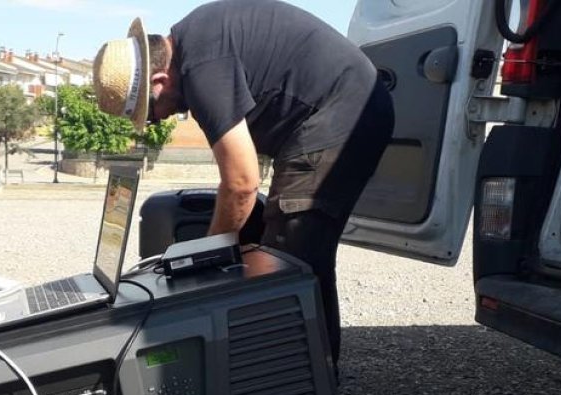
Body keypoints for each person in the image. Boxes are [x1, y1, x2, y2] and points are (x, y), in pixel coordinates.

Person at [93, 0, 394, 367]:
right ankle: (290, 377)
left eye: (151, 112)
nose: (160, 118)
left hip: (344, 111)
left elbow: (241, 183)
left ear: (159, 80)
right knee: (278, 247)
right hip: (341, 109)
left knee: (291, 257)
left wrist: (200, 260)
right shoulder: (198, 43)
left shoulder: (201, 66)